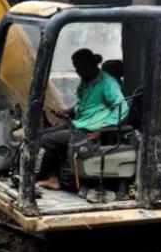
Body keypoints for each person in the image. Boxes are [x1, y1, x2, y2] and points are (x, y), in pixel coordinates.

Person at [37, 48, 127, 191]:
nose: (77, 71)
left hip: (90, 130)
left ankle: (50, 178)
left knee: (47, 141)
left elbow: (121, 107)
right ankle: (50, 175)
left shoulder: (107, 83)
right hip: (79, 124)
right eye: (76, 68)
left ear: (90, 64)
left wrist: (102, 131)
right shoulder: (86, 81)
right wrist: (65, 111)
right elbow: (82, 105)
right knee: (40, 134)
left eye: (79, 67)